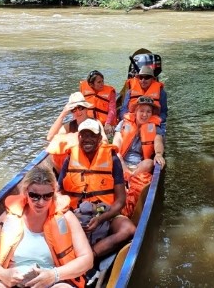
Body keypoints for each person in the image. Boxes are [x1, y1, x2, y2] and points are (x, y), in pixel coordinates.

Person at [0, 165, 92, 288]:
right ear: (26, 193)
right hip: (12, 283)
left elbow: (87, 259)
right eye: (34, 195)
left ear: (53, 193)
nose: (41, 202)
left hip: (53, 282)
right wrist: (2, 273)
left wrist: (54, 275)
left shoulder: (67, 218)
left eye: (47, 195)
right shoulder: (9, 217)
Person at [58, 118, 135, 260]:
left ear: (99, 138)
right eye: (84, 135)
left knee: (129, 229)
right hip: (76, 212)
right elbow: (58, 192)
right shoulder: (69, 158)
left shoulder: (113, 159)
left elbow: (121, 201)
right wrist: (70, 216)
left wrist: (101, 219)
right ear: (79, 137)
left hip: (105, 213)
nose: (87, 139)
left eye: (92, 135)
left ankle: (90, 256)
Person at [46, 93, 108, 173]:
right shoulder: (69, 126)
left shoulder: (96, 122)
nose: (78, 112)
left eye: (80, 108)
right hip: (75, 163)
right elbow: (50, 137)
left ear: (86, 109)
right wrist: (62, 114)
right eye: (74, 110)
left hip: (93, 161)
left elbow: (105, 141)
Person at [113, 96, 166, 178]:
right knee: (115, 156)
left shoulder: (155, 128)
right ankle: (129, 176)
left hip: (140, 166)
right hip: (122, 162)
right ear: (135, 111)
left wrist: (158, 154)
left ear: (152, 113)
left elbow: (158, 141)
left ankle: (129, 177)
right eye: (141, 111)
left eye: (148, 112)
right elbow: (117, 140)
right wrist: (121, 160)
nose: (145, 114)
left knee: (149, 163)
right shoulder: (123, 123)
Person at [119, 66, 168, 135]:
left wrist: (156, 120)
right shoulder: (130, 92)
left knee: (156, 136)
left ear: (152, 79)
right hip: (131, 122)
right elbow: (124, 109)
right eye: (141, 77)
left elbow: (163, 112)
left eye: (147, 77)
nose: (143, 80)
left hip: (152, 122)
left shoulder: (161, 92)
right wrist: (128, 119)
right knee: (122, 134)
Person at [79, 70, 117, 136]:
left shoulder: (110, 92)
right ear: (91, 84)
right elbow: (79, 107)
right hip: (89, 122)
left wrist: (107, 124)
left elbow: (112, 109)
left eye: (102, 81)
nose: (102, 84)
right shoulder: (84, 90)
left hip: (105, 124)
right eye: (99, 82)